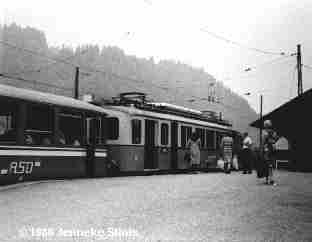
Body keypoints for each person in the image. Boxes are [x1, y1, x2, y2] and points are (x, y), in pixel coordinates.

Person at [262, 120, 279, 185]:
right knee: (271, 165)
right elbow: (276, 138)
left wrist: (263, 148)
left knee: (267, 164)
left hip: (267, 149)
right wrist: (272, 142)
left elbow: (263, 142)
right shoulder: (273, 132)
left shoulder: (265, 133)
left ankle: (267, 180)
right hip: (272, 149)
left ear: (265, 125)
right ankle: (271, 179)